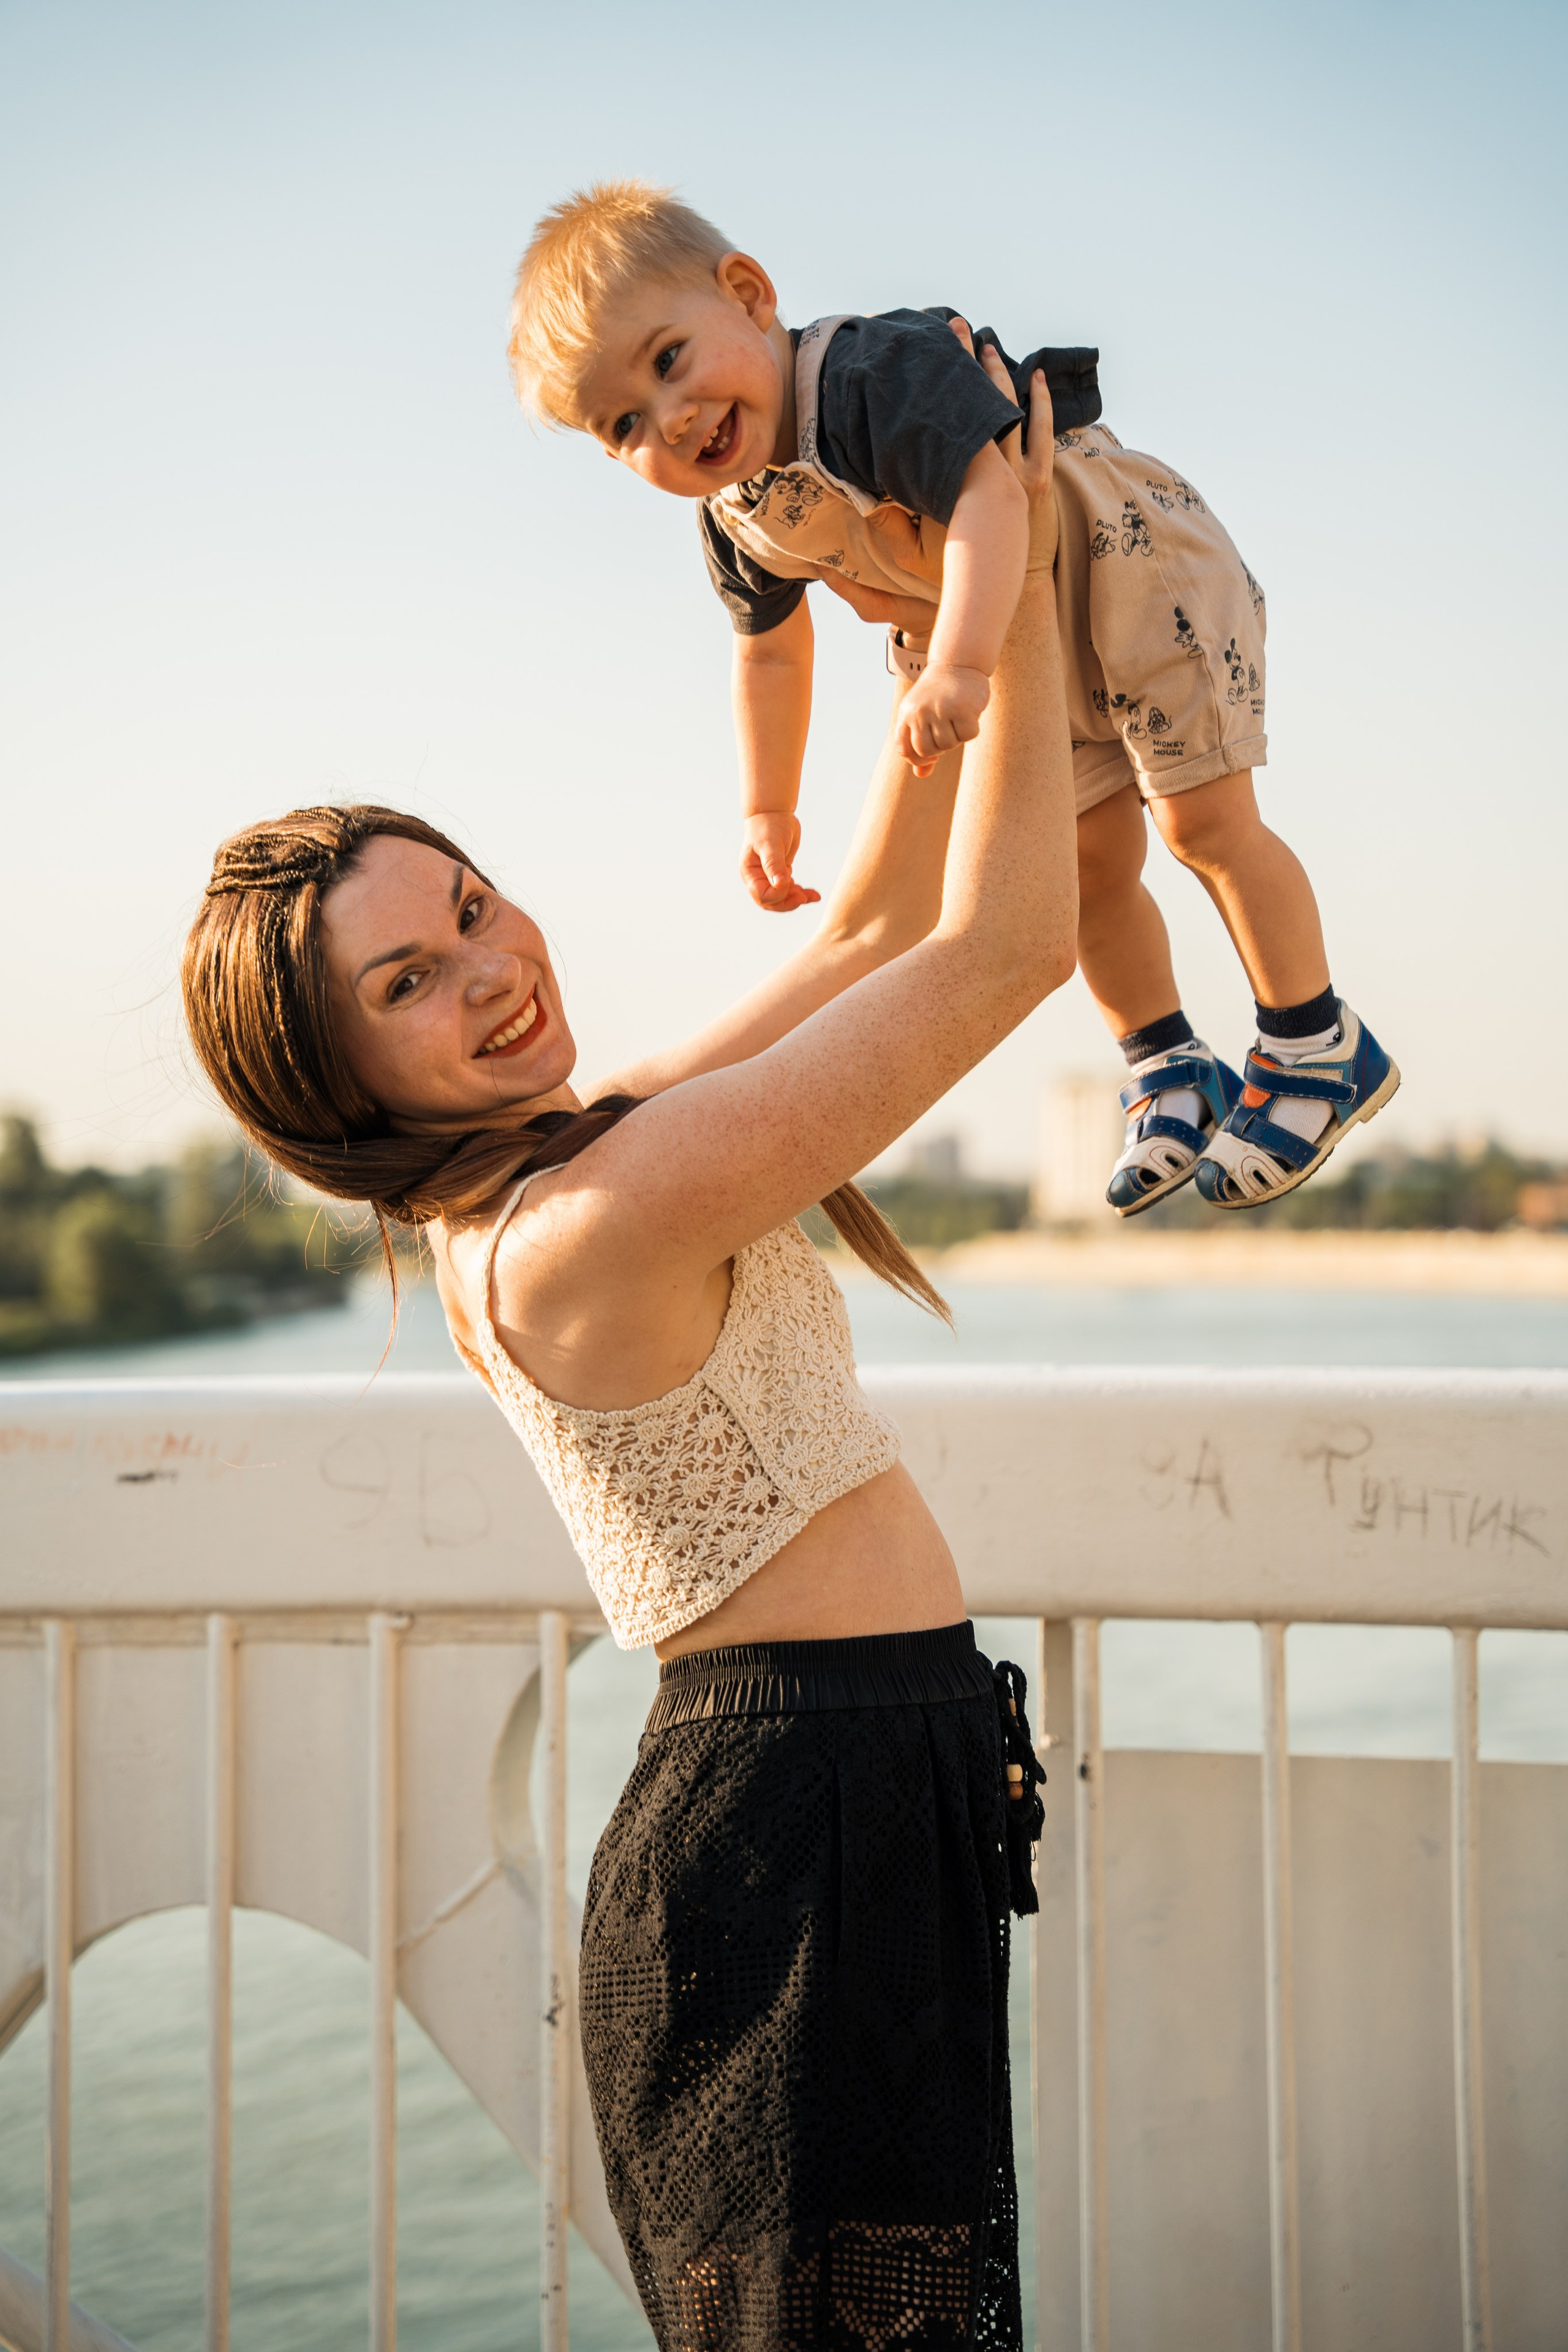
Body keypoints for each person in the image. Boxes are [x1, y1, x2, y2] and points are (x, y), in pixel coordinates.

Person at [182, 369, 1068, 2351]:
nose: (492, 972)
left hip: (874, 1784)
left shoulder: (578, 1159)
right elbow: (1009, 950)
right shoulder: (582, 1224)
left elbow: (879, 923)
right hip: (792, 1837)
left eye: (470, 909)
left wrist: (936, 634)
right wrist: (1041, 568)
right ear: (334, 1082)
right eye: (406, 984)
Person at [508, 178, 1400, 1217]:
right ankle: (1169, 1064)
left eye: (670, 361)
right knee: (1086, 861)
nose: (675, 419)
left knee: (1203, 822)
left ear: (749, 294)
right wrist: (770, 804)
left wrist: (962, 664)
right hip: (1017, 637)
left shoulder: (863, 377)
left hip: (1129, 567)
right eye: (624, 424)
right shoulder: (735, 513)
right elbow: (769, 652)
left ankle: (1315, 1041)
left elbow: (991, 492)